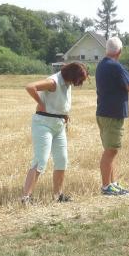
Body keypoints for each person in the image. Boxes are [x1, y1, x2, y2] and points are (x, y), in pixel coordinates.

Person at [21, 62, 88, 204]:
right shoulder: (53, 82)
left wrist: (64, 114)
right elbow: (30, 87)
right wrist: (40, 103)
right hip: (43, 124)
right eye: (79, 79)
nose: (79, 83)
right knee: (40, 161)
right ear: (72, 75)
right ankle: (26, 197)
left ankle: (58, 195)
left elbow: (59, 102)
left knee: (62, 160)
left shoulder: (67, 83)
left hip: (59, 125)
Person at [96, 37, 129, 196]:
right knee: (111, 151)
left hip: (103, 112)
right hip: (113, 114)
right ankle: (106, 186)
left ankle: (113, 183)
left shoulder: (101, 65)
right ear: (119, 51)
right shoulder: (117, 66)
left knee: (111, 150)